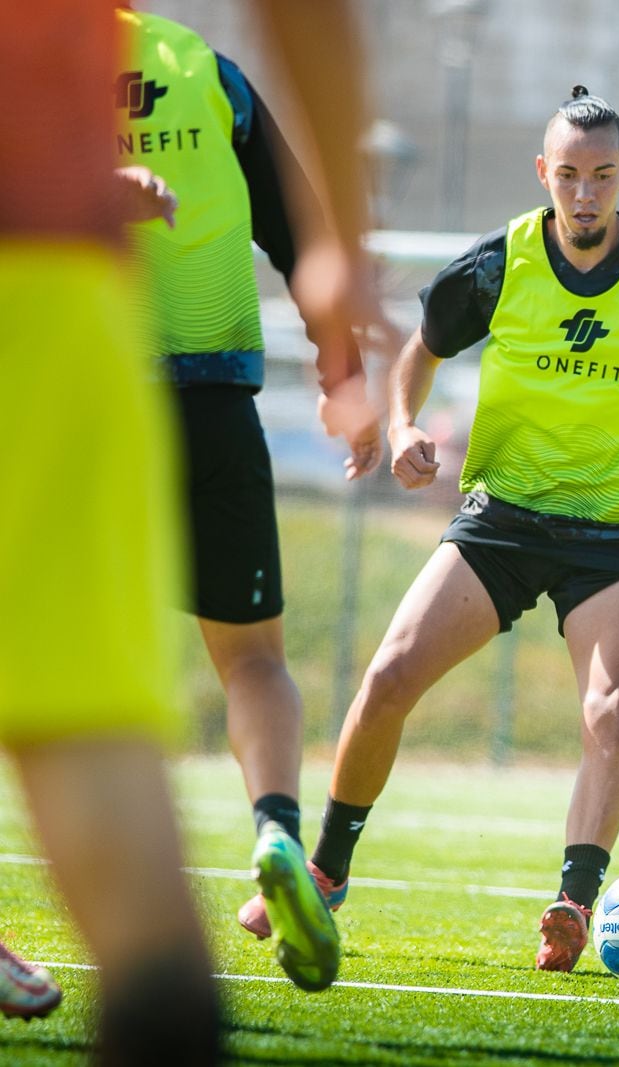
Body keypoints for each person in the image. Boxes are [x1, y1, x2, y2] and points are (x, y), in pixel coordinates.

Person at [290, 88, 619, 973]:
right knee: (391, 673)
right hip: (500, 522)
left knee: (614, 709)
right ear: (543, 175)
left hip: (614, 536)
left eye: (600, 176)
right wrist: (402, 428)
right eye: (567, 176)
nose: (584, 194)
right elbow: (421, 349)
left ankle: (575, 903)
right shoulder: (501, 262)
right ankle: (323, 872)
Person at [118, 4, 383, 994]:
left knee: (47, 675)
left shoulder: (29, 63)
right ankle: (276, 825)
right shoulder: (207, 71)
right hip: (214, 400)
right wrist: (342, 375)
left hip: (85, 392)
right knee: (254, 658)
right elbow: (299, 230)